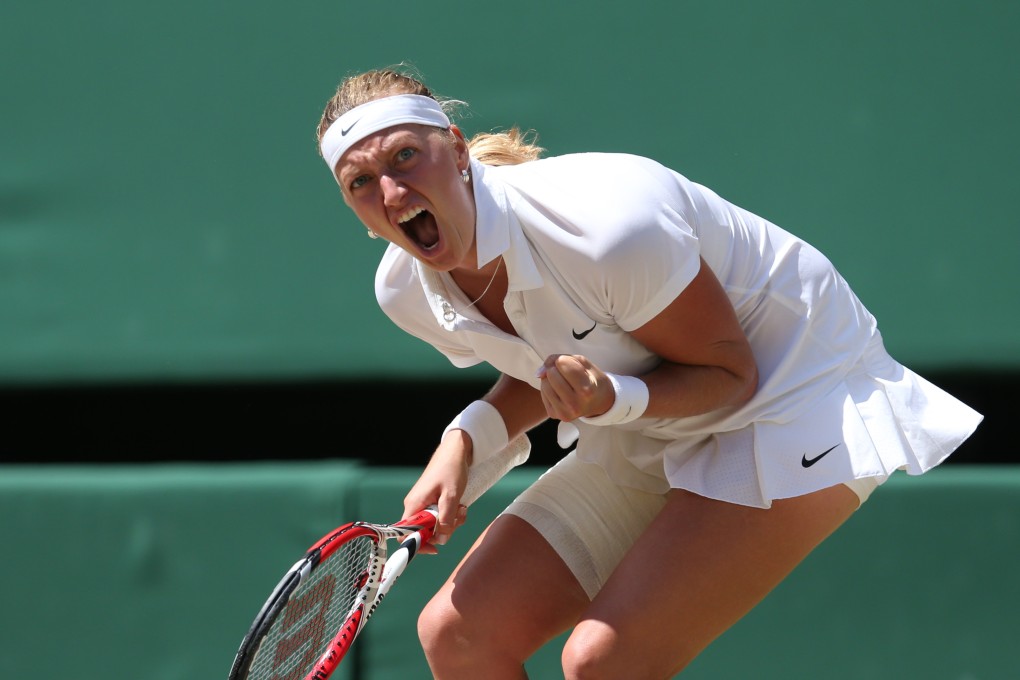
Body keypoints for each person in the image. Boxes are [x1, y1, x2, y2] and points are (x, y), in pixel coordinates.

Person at [314, 65, 983, 679]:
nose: (393, 191)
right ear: (355, 212)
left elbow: (728, 373)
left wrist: (610, 397)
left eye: (406, 156)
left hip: (799, 395)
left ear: (457, 150)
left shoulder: (607, 227)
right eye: (361, 183)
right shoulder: (406, 292)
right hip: (654, 409)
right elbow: (546, 364)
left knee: (605, 661)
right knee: (460, 633)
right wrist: (467, 439)